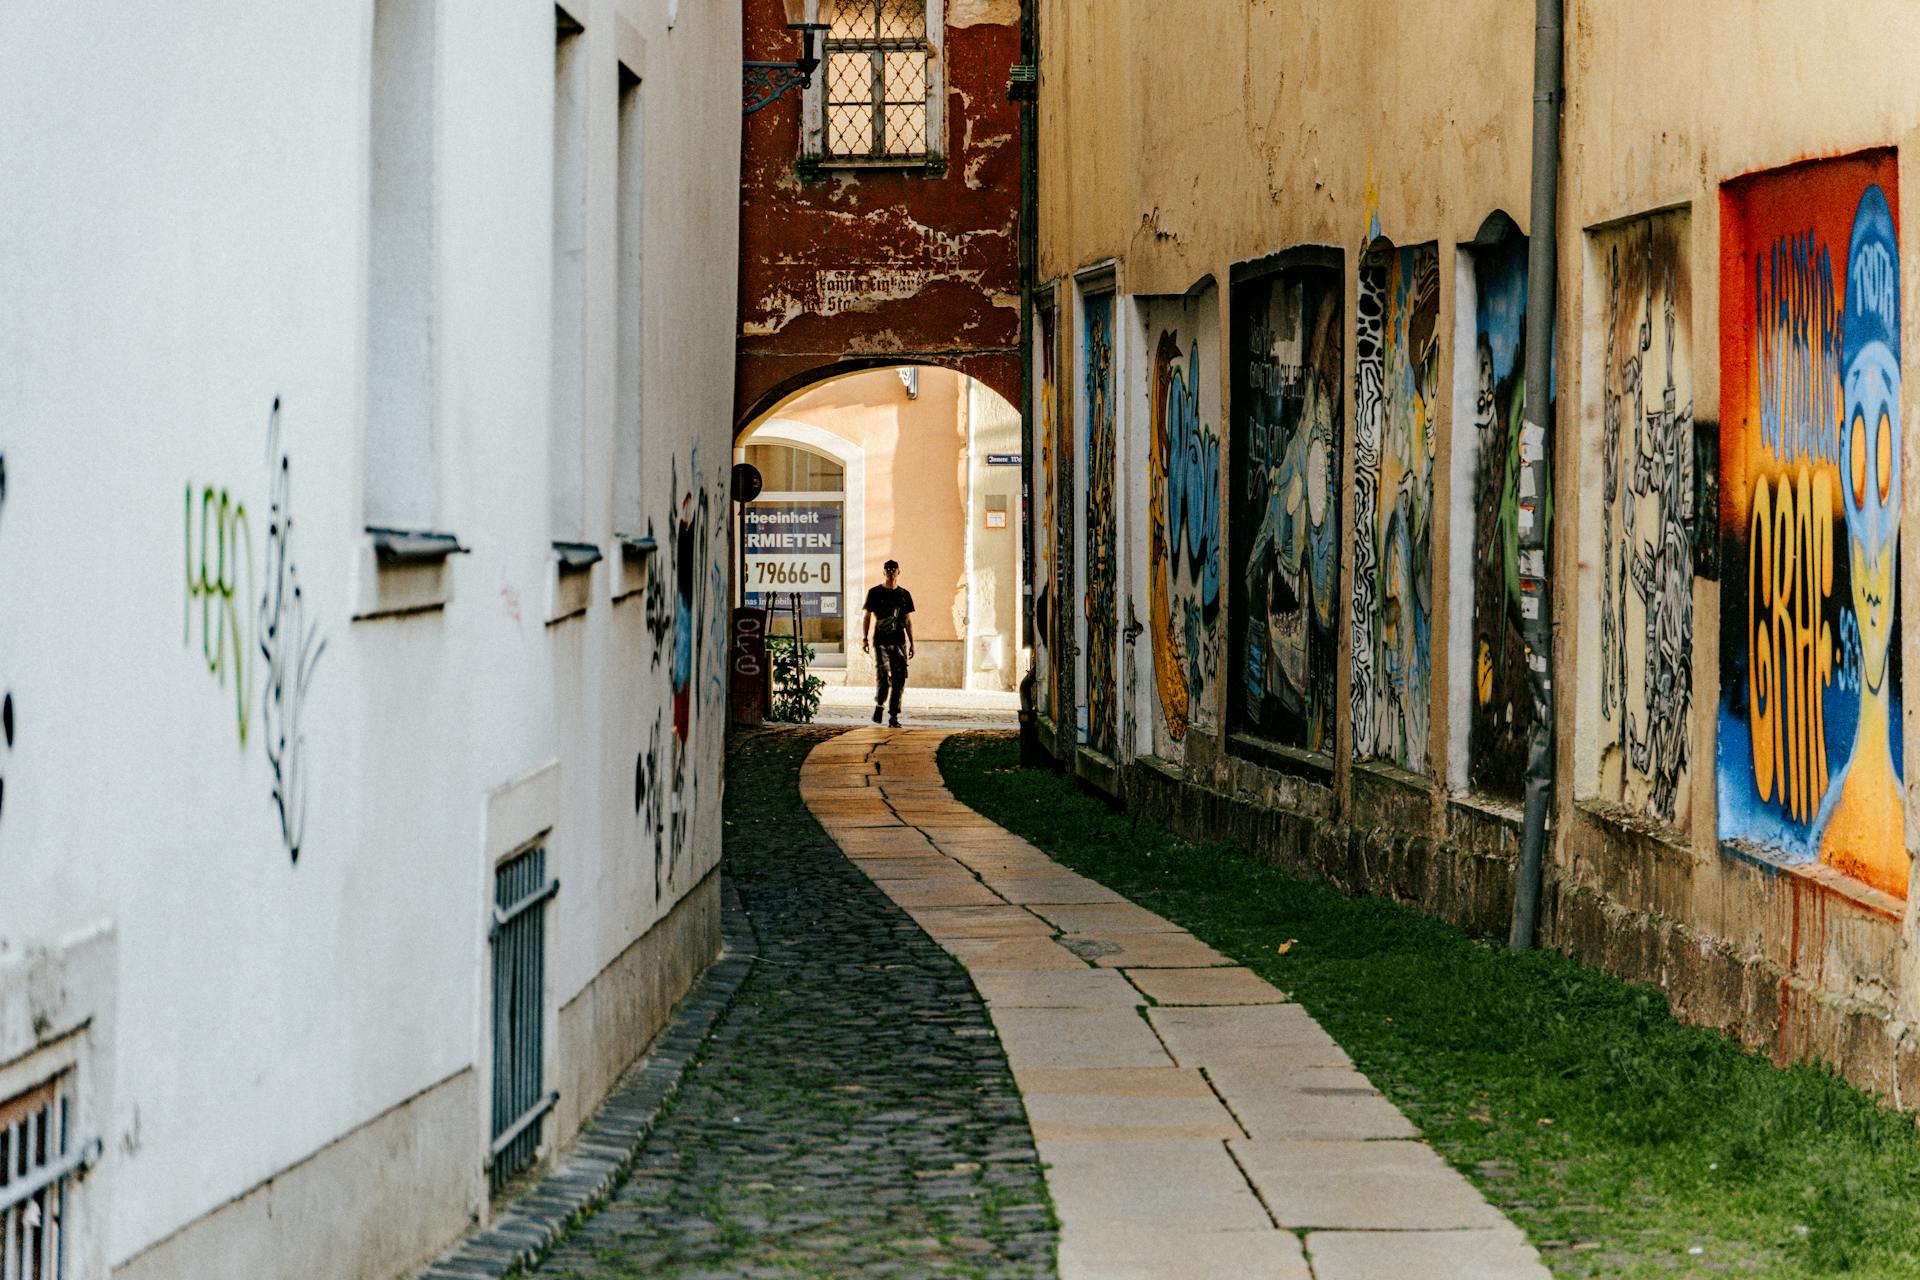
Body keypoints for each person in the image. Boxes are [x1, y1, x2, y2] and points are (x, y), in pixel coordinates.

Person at [862, 560, 915, 727]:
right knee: (883, 676)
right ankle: (879, 705)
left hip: (899, 641)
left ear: (899, 572)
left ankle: (893, 716)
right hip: (881, 641)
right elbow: (867, 616)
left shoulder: (904, 594)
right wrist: (865, 638)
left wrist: (912, 643)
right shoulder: (874, 592)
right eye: (888, 569)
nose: (891, 572)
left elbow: (907, 621)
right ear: (883, 572)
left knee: (899, 679)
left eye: (894, 569)